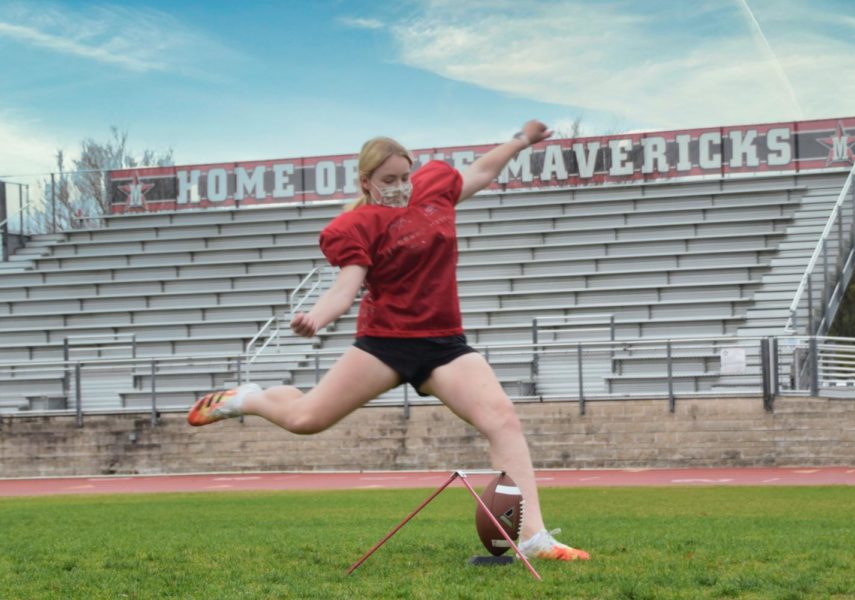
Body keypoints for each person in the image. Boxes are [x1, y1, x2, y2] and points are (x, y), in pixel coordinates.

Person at [187, 120, 590, 561]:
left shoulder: (434, 189)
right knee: (306, 420)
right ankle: (248, 399)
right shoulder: (357, 224)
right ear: (367, 182)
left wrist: (521, 140)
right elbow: (347, 286)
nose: (400, 187)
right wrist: (316, 317)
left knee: (503, 420)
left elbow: (480, 172)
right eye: (388, 181)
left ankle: (532, 538)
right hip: (385, 343)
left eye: (405, 177)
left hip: (445, 344)